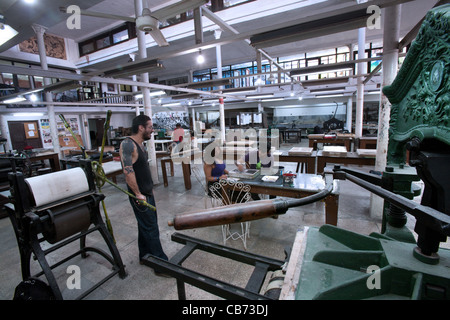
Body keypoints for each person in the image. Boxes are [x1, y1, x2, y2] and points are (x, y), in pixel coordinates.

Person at [119, 115, 169, 276]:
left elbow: (142, 170)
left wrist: (149, 189)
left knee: (145, 226)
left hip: (146, 192)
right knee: (151, 228)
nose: (152, 130)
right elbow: (128, 172)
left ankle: (144, 256)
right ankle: (160, 265)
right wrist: (138, 194)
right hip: (139, 196)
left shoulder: (140, 145)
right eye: (150, 127)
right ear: (141, 127)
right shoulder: (127, 144)